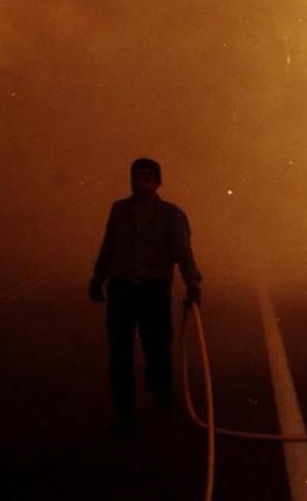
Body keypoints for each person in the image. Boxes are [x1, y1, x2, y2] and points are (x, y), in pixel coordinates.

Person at [89, 158, 202, 433]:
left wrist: (193, 284)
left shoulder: (172, 215)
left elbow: (182, 253)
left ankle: (161, 395)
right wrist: (97, 280)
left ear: (158, 182)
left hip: (153, 289)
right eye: (136, 178)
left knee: (158, 345)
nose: (140, 184)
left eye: (147, 179)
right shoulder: (119, 210)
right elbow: (109, 247)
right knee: (120, 349)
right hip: (122, 287)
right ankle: (123, 408)